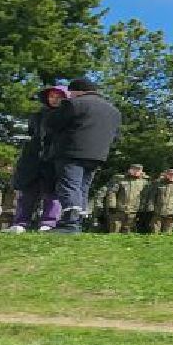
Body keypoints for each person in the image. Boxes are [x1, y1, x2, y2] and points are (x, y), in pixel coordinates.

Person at [45, 77, 122, 233]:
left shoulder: (74, 104)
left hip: (71, 151)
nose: (69, 95)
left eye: (71, 92)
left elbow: (52, 123)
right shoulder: (113, 110)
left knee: (69, 186)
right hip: (98, 154)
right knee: (83, 187)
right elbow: (116, 135)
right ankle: (79, 222)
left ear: (76, 91)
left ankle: (69, 224)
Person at [7, 85, 67, 232]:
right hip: (33, 159)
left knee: (52, 193)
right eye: (52, 96)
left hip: (54, 159)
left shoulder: (67, 116)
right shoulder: (37, 115)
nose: (54, 99)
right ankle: (21, 222)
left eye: (58, 97)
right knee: (27, 192)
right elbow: (32, 134)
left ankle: (49, 222)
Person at [101, 164, 150, 233]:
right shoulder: (120, 179)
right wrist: (111, 205)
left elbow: (145, 197)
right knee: (114, 229)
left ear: (141, 171)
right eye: (134, 169)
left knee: (128, 231)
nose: (136, 172)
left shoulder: (145, 183)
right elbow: (112, 192)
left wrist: (142, 209)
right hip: (118, 210)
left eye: (138, 170)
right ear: (129, 170)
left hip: (133, 212)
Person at [145, 168, 173, 234]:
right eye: (170, 174)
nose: (171, 176)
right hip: (158, 212)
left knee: (167, 233)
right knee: (154, 232)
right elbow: (152, 197)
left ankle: (166, 243)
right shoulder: (158, 184)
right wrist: (150, 207)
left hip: (171, 213)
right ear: (166, 175)